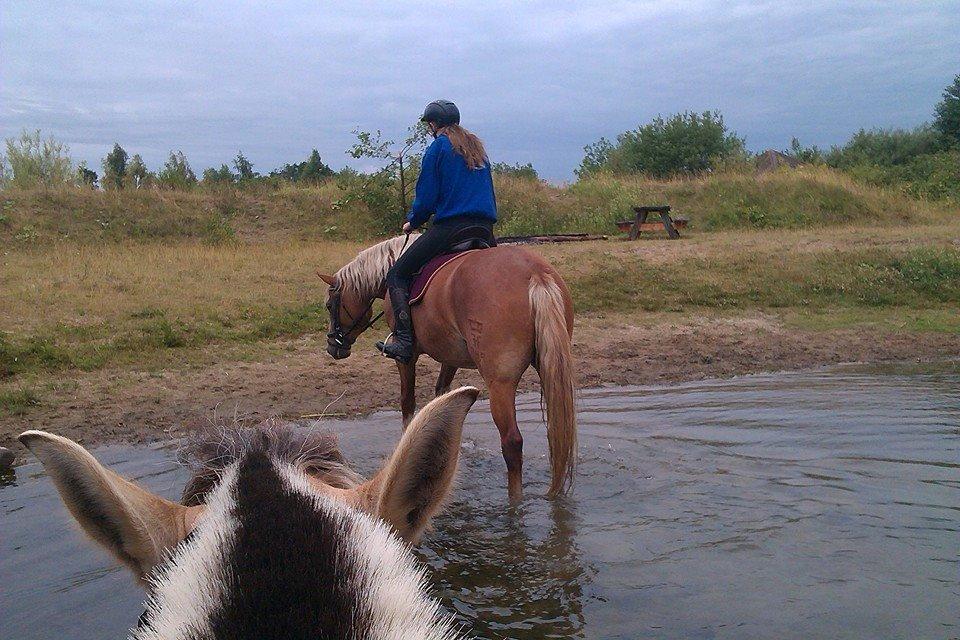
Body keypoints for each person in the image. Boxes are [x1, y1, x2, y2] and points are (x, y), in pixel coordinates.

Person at [376, 99, 498, 363]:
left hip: (452, 229)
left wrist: (413, 220)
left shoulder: (438, 148)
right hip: (484, 230)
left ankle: (404, 342)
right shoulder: (477, 149)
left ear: (433, 124)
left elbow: (427, 198)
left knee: (397, 274)